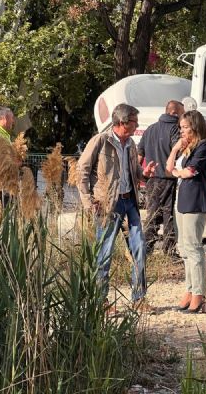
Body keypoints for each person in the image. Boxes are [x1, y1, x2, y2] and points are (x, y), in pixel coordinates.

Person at [77, 103, 157, 310]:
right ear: (122, 122)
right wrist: (88, 202)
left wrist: (144, 173)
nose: (137, 125)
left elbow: (134, 171)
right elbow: (82, 171)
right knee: (105, 252)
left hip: (129, 202)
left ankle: (139, 299)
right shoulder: (100, 141)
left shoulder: (130, 143)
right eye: (134, 122)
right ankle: (100, 301)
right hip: (107, 205)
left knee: (139, 247)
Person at [166, 110, 206, 314]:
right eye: (181, 127)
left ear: (195, 126)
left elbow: (191, 172)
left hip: (195, 201)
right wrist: (175, 149)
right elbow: (169, 168)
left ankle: (199, 294)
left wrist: (178, 172)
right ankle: (189, 288)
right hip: (182, 200)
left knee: (194, 248)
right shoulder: (186, 149)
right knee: (184, 248)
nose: (182, 131)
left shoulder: (204, 146)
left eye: (185, 127)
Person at [137, 100, 185, 256]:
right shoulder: (174, 129)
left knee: (151, 214)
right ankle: (169, 251)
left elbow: (139, 155)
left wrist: (138, 175)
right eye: (182, 114)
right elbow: (176, 151)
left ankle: (146, 249)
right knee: (168, 215)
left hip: (150, 179)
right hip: (168, 178)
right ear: (174, 113)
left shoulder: (150, 129)